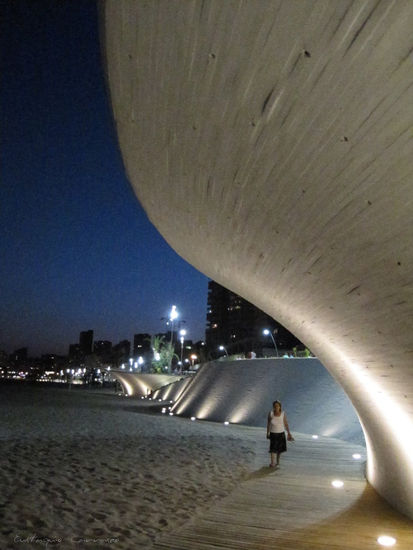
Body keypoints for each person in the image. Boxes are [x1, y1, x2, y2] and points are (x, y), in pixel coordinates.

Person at [266, 400, 294, 468]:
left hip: (281, 434)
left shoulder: (283, 414)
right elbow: (268, 424)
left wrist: (289, 433)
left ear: (280, 407)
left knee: (279, 450)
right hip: (273, 434)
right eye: (275, 406)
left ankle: (277, 462)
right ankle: (272, 463)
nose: (276, 407)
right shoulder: (271, 413)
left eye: (277, 406)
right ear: (273, 407)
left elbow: (286, 423)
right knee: (273, 449)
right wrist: (267, 433)